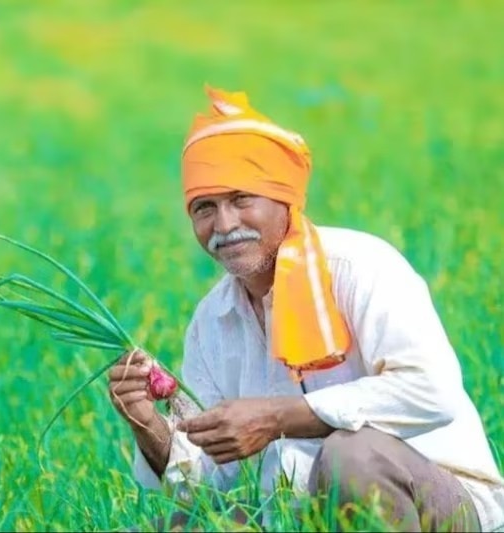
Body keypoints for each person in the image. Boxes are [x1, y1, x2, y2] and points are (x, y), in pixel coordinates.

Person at [108, 86, 504, 532]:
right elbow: (211, 483)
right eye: (204, 208)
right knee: (180, 525)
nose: (224, 225)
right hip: (297, 513)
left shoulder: (360, 267)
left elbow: (432, 391)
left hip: (443, 502)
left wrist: (275, 418)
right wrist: (148, 426)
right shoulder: (212, 320)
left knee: (352, 457)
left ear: (285, 200)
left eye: (242, 199)